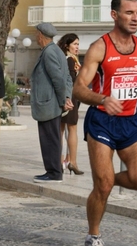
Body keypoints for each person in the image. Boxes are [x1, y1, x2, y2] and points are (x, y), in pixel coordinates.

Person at [73, 0, 137, 246]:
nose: (135, 18)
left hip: (130, 121)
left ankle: (104, 181)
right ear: (114, 15)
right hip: (101, 121)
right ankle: (94, 235)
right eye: (129, 12)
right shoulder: (100, 47)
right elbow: (78, 89)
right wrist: (102, 99)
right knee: (105, 185)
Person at [30, 22, 74, 183]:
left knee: (49, 140)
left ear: (40, 35)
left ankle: (54, 173)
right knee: (53, 138)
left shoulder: (49, 53)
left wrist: (64, 100)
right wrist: (67, 97)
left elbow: (58, 79)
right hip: (52, 103)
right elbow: (67, 78)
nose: (35, 36)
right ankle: (53, 171)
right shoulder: (57, 51)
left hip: (48, 104)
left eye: (36, 34)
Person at [57, 33, 84, 175]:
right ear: (67, 45)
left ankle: (61, 161)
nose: (77, 47)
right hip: (70, 97)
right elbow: (72, 81)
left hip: (64, 97)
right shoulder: (70, 61)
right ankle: (71, 162)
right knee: (71, 130)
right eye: (74, 44)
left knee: (61, 130)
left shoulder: (67, 59)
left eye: (78, 44)